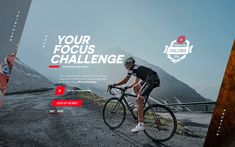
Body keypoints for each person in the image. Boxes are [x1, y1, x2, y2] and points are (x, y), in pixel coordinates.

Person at [109, 57, 160, 133]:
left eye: (126, 65)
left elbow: (125, 80)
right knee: (135, 88)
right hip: (150, 79)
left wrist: (115, 84)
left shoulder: (132, 68)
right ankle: (141, 105)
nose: (126, 67)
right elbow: (135, 82)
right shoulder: (137, 69)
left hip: (151, 79)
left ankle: (140, 124)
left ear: (130, 63)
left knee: (138, 100)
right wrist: (128, 87)